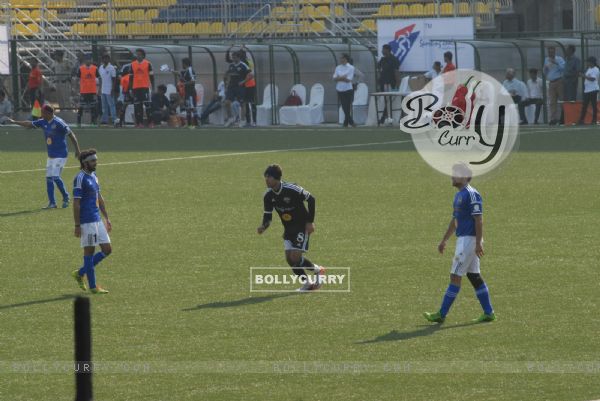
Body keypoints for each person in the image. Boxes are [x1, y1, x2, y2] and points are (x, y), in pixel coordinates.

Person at [423, 163, 495, 324]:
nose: (452, 176)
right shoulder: (458, 195)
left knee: (455, 276)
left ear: (465, 177)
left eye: (456, 173)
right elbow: (455, 220)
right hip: (464, 240)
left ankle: (441, 314)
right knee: (474, 276)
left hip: (469, 240)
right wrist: (444, 240)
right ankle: (489, 313)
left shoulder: (472, 194)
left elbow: (479, 220)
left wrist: (478, 243)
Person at [257, 164, 325, 292]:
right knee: (289, 259)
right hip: (288, 229)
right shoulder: (268, 196)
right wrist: (263, 226)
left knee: (295, 257)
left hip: (301, 226)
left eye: (268, 177)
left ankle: (318, 270)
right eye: (265, 177)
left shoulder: (292, 189)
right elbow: (268, 216)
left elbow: (311, 199)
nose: (266, 180)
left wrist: (310, 222)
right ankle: (307, 284)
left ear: (276, 178)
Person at [9, 105, 81, 209]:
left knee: (55, 177)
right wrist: (14, 122)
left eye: (42, 112)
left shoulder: (59, 123)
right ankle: (52, 203)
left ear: (49, 113)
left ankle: (66, 196)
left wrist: (77, 150)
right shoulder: (43, 121)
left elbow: (71, 135)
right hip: (51, 155)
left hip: (61, 154)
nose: (41, 114)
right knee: (48, 178)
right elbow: (29, 124)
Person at [71, 149, 112, 295]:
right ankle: (93, 286)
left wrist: (106, 218)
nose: (96, 163)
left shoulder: (94, 176)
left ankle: (80, 272)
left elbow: (99, 197)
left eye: (96, 160)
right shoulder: (80, 178)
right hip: (87, 221)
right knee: (89, 252)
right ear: (85, 163)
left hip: (97, 219)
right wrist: (77, 225)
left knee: (107, 249)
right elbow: (76, 203)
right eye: (93, 161)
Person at [224, 51, 250, 127]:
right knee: (227, 102)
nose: (233, 59)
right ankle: (230, 118)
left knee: (242, 104)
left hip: (240, 87)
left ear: (238, 57)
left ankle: (242, 120)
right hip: (231, 87)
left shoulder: (243, 65)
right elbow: (228, 75)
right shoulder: (231, 65)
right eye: (232, 57)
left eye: (234, 57)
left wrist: (243, 81)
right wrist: (226, 84)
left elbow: (251, 75)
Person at [129, 48, 154, 128]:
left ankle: (150, 122)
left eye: (139, 54)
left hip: (145, 87)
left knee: (147, 105)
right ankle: (139, 123)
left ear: (143, 55)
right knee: (137, 106)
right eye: (137, 54)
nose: (137, 56)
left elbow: (152, 77)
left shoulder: (148, 64)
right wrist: (130, 88)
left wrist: (152, 87)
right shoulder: (132, 64)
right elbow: (131, 78)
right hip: (136, 88)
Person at [377, 44, 400, 125]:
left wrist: (398, 83)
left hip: (391, 83)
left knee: (389, 101)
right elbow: (379, 70)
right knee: (385, 101)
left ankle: (385, 118)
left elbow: (396, 72)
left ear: (387, 50)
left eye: (383, 50)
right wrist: (379, 82)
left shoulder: (394, 59)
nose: (382, 51)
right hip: (383, 83)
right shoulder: (382, 60)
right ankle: (384, 117)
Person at [543, 46, 565, 125]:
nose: (550, 53)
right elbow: (545, 71)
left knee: (562, 100)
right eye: (549, 52)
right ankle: (553, 119)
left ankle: (564, 118)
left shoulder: (559, 59)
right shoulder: (546, 59)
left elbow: (564, 68)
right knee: (552, 102)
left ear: (555, 52)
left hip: (559, 81)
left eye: (552, 52)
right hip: (551, 82)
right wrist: (545, 70)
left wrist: (556, 62)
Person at [76, 55, 99, 127]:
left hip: (92, 91)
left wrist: (99, 89)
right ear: (84, 60)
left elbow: (99, 79)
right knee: (81, 106)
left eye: (90, 59)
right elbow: (77, 79)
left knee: (93, 106)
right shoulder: (81, 68)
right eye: (87, 59)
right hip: (83, 91)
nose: (88, 61)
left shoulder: (95, 68)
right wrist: (77, 89)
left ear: (91, 60)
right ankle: (78, 120)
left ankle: (93, 121)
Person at [333, 53, 355, 128]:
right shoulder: (338, 67)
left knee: (347, 106)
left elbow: (348, 80)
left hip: (348, 89)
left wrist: (340, 78)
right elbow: (334, 78)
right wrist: (342, 77)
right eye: (340, 58)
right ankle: (351, 121)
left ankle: (346, 123)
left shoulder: (351, 67)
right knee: (344, 106)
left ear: (346, 59)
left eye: (342, 58)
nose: (341, 60)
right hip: (339, 88)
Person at [578, 56, 600, 125]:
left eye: (588, 62)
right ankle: (581, 120)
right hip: (587, 90)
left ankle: (594, 120)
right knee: (585, 105)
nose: (587, 63)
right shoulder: (589, 69)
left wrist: (583, 76)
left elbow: (593, 79)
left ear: (592, 62)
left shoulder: (596, 69)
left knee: (594, 105)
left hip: (593, 89)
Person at [178, 57, 199, 128]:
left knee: (192, 108)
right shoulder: (186, 71)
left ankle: (195, 124)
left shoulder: (190, 70)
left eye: (182, 63)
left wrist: (183, 84)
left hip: (191, 92)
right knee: (188, 108)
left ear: (185, 63)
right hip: (187, 92)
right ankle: (189, 125)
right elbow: (180, 74)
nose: (182, 65)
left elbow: (193, 81)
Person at [99, 54, 117, 126]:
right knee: (104, 106)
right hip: (103, 89)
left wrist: (112, 89)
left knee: (111, 105)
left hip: (109, 89)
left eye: (106, 58)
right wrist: (100, 89)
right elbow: (100, 79)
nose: (105, 60)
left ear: (109, 59)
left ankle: (114, 119)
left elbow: (114, 80)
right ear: (102, 60)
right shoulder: (100, 67)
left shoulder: (111, 68)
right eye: (104, 58)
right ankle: (104, 119)